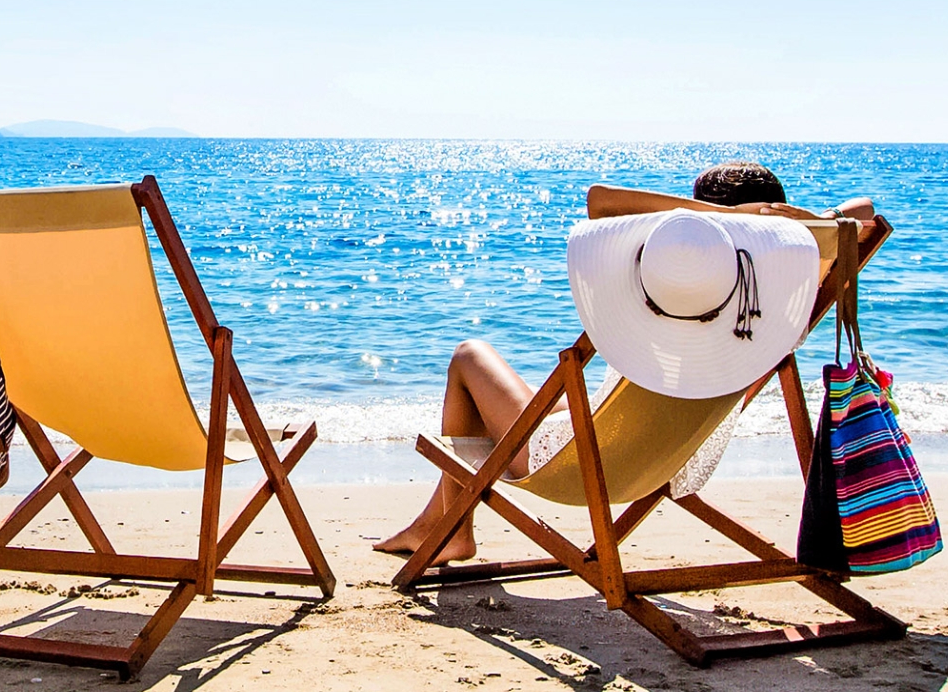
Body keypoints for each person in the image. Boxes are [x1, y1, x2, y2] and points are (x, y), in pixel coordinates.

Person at [373, 162, 874, 564]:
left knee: (469, 356)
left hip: (590, 463)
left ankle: (453, 529)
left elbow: (600, 200)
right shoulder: (789, 296)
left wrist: (713, 221)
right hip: (680, 460)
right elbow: (864, 211)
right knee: (540, 411)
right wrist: (782, 223)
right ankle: (438, 525)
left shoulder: (671, 289)